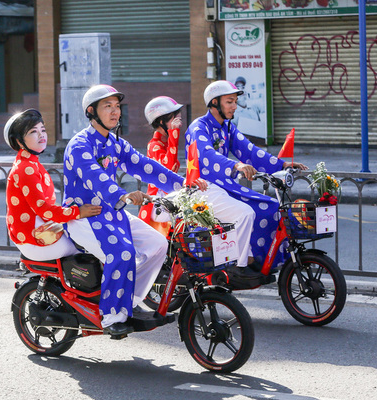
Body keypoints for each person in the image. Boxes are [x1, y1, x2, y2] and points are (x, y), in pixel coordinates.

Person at [63, 84, 207, 336]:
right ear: (91, 111)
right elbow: (95, 178)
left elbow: (146, 166)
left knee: (157, 245)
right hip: (83, 216)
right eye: (108, 106)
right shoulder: (79, 145)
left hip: (112, 212)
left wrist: (183, 184)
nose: (115, 112)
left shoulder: (116, 143)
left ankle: (127, 301)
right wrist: (123, 195)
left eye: (117, 106)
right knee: (122, 253)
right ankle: (111, 316)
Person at [185, 80, 307, 271]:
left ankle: (261, 260)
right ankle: (238, 266)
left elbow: (249, 151)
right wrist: (236, 165)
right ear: (214, 103)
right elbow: (207, 154)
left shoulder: (227, 127)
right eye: (229, 102)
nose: (234, 106)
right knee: (245, 214)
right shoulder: (198, 127)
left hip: (225, 185)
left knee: (271, 207)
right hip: (204, 187)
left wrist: (281, 164)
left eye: (234, 101)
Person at [5, 109, 101, 261]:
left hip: (40, 230)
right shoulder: (26, 169)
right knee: (95, 248)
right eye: (33, 132)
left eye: (42, 129)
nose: (41, 134)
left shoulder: (31, 163)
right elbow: (43, 209)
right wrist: (78, 212)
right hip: (35, 238)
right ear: (18, 141)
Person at [139, 96, 184, 236]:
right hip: (157, 202)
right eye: (174, 119)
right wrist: (174, 134)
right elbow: (168, 167)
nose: (179, 122)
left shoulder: (165, 143)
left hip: (168, 197)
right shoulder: (154, 145)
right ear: (160, 121)